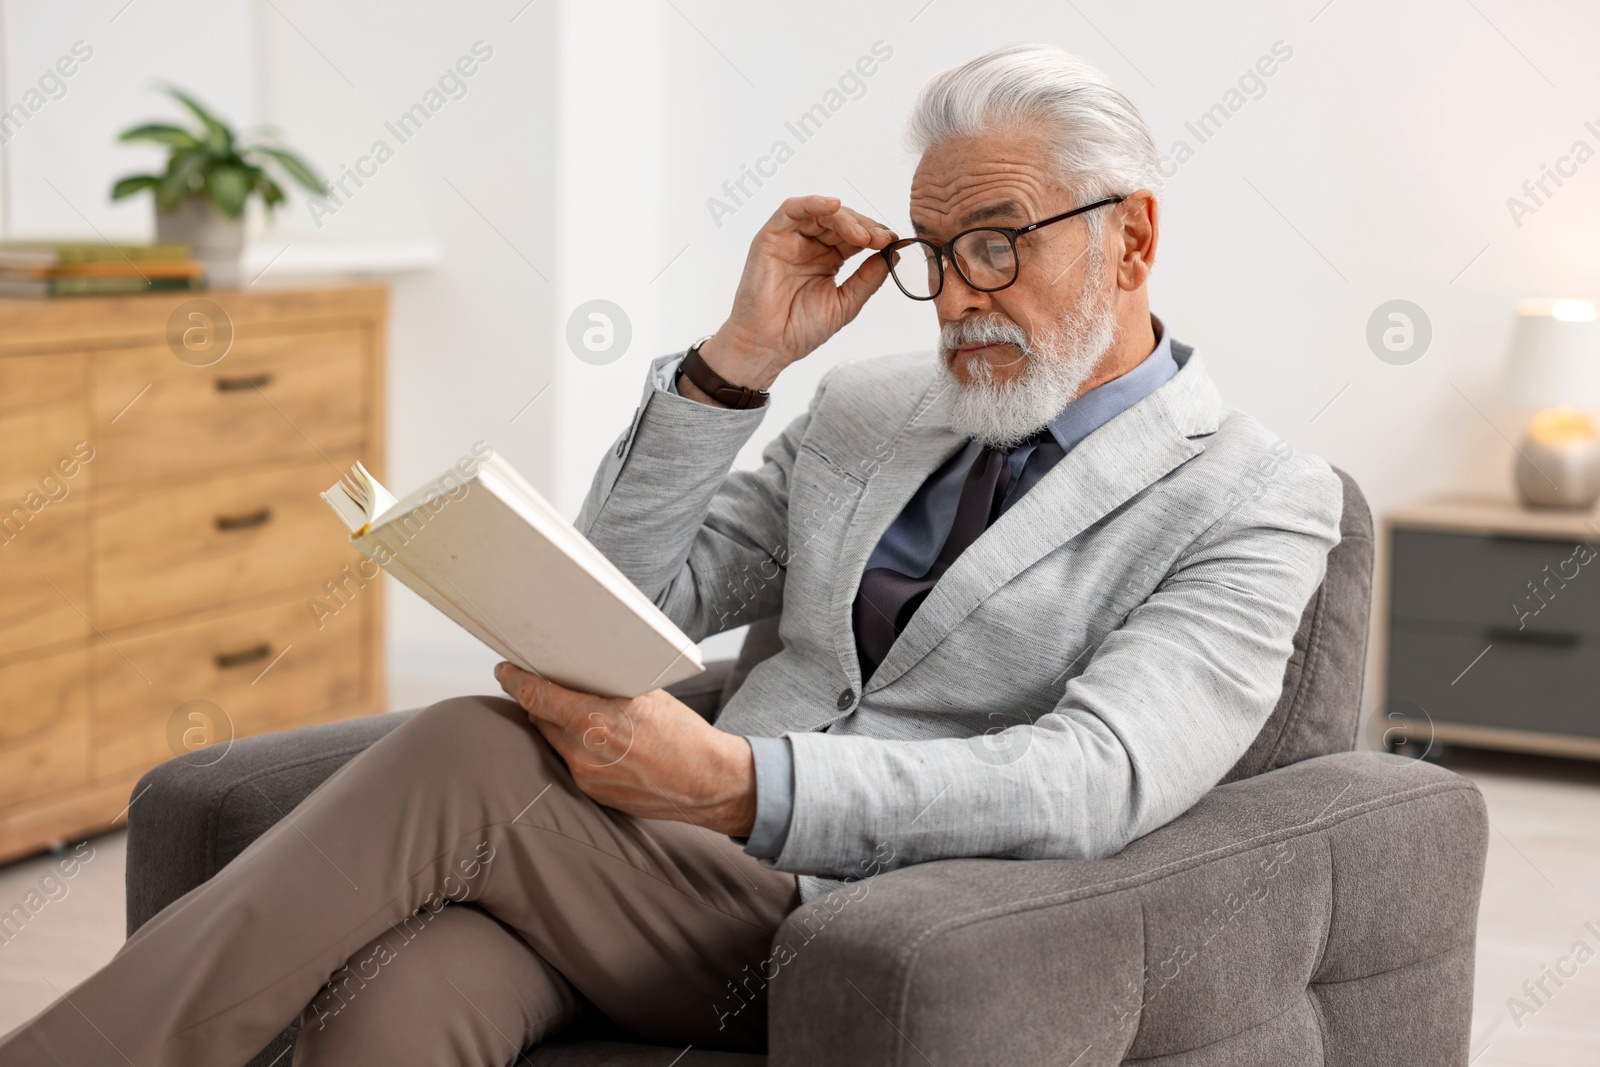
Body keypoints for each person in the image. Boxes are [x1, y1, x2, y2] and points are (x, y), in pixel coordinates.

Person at [0, 43, 1341, 1067]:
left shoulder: (1255, 498)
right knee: (400, 1004)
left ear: (1134, 237)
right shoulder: (870, 412)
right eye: (938, 253)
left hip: (856, 914)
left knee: (467, 749)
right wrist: (735, 365)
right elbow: (640, 601)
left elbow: (1095, 778)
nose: (964, 293)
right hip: (648, 870)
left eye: (999, 241)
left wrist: (737, 785)